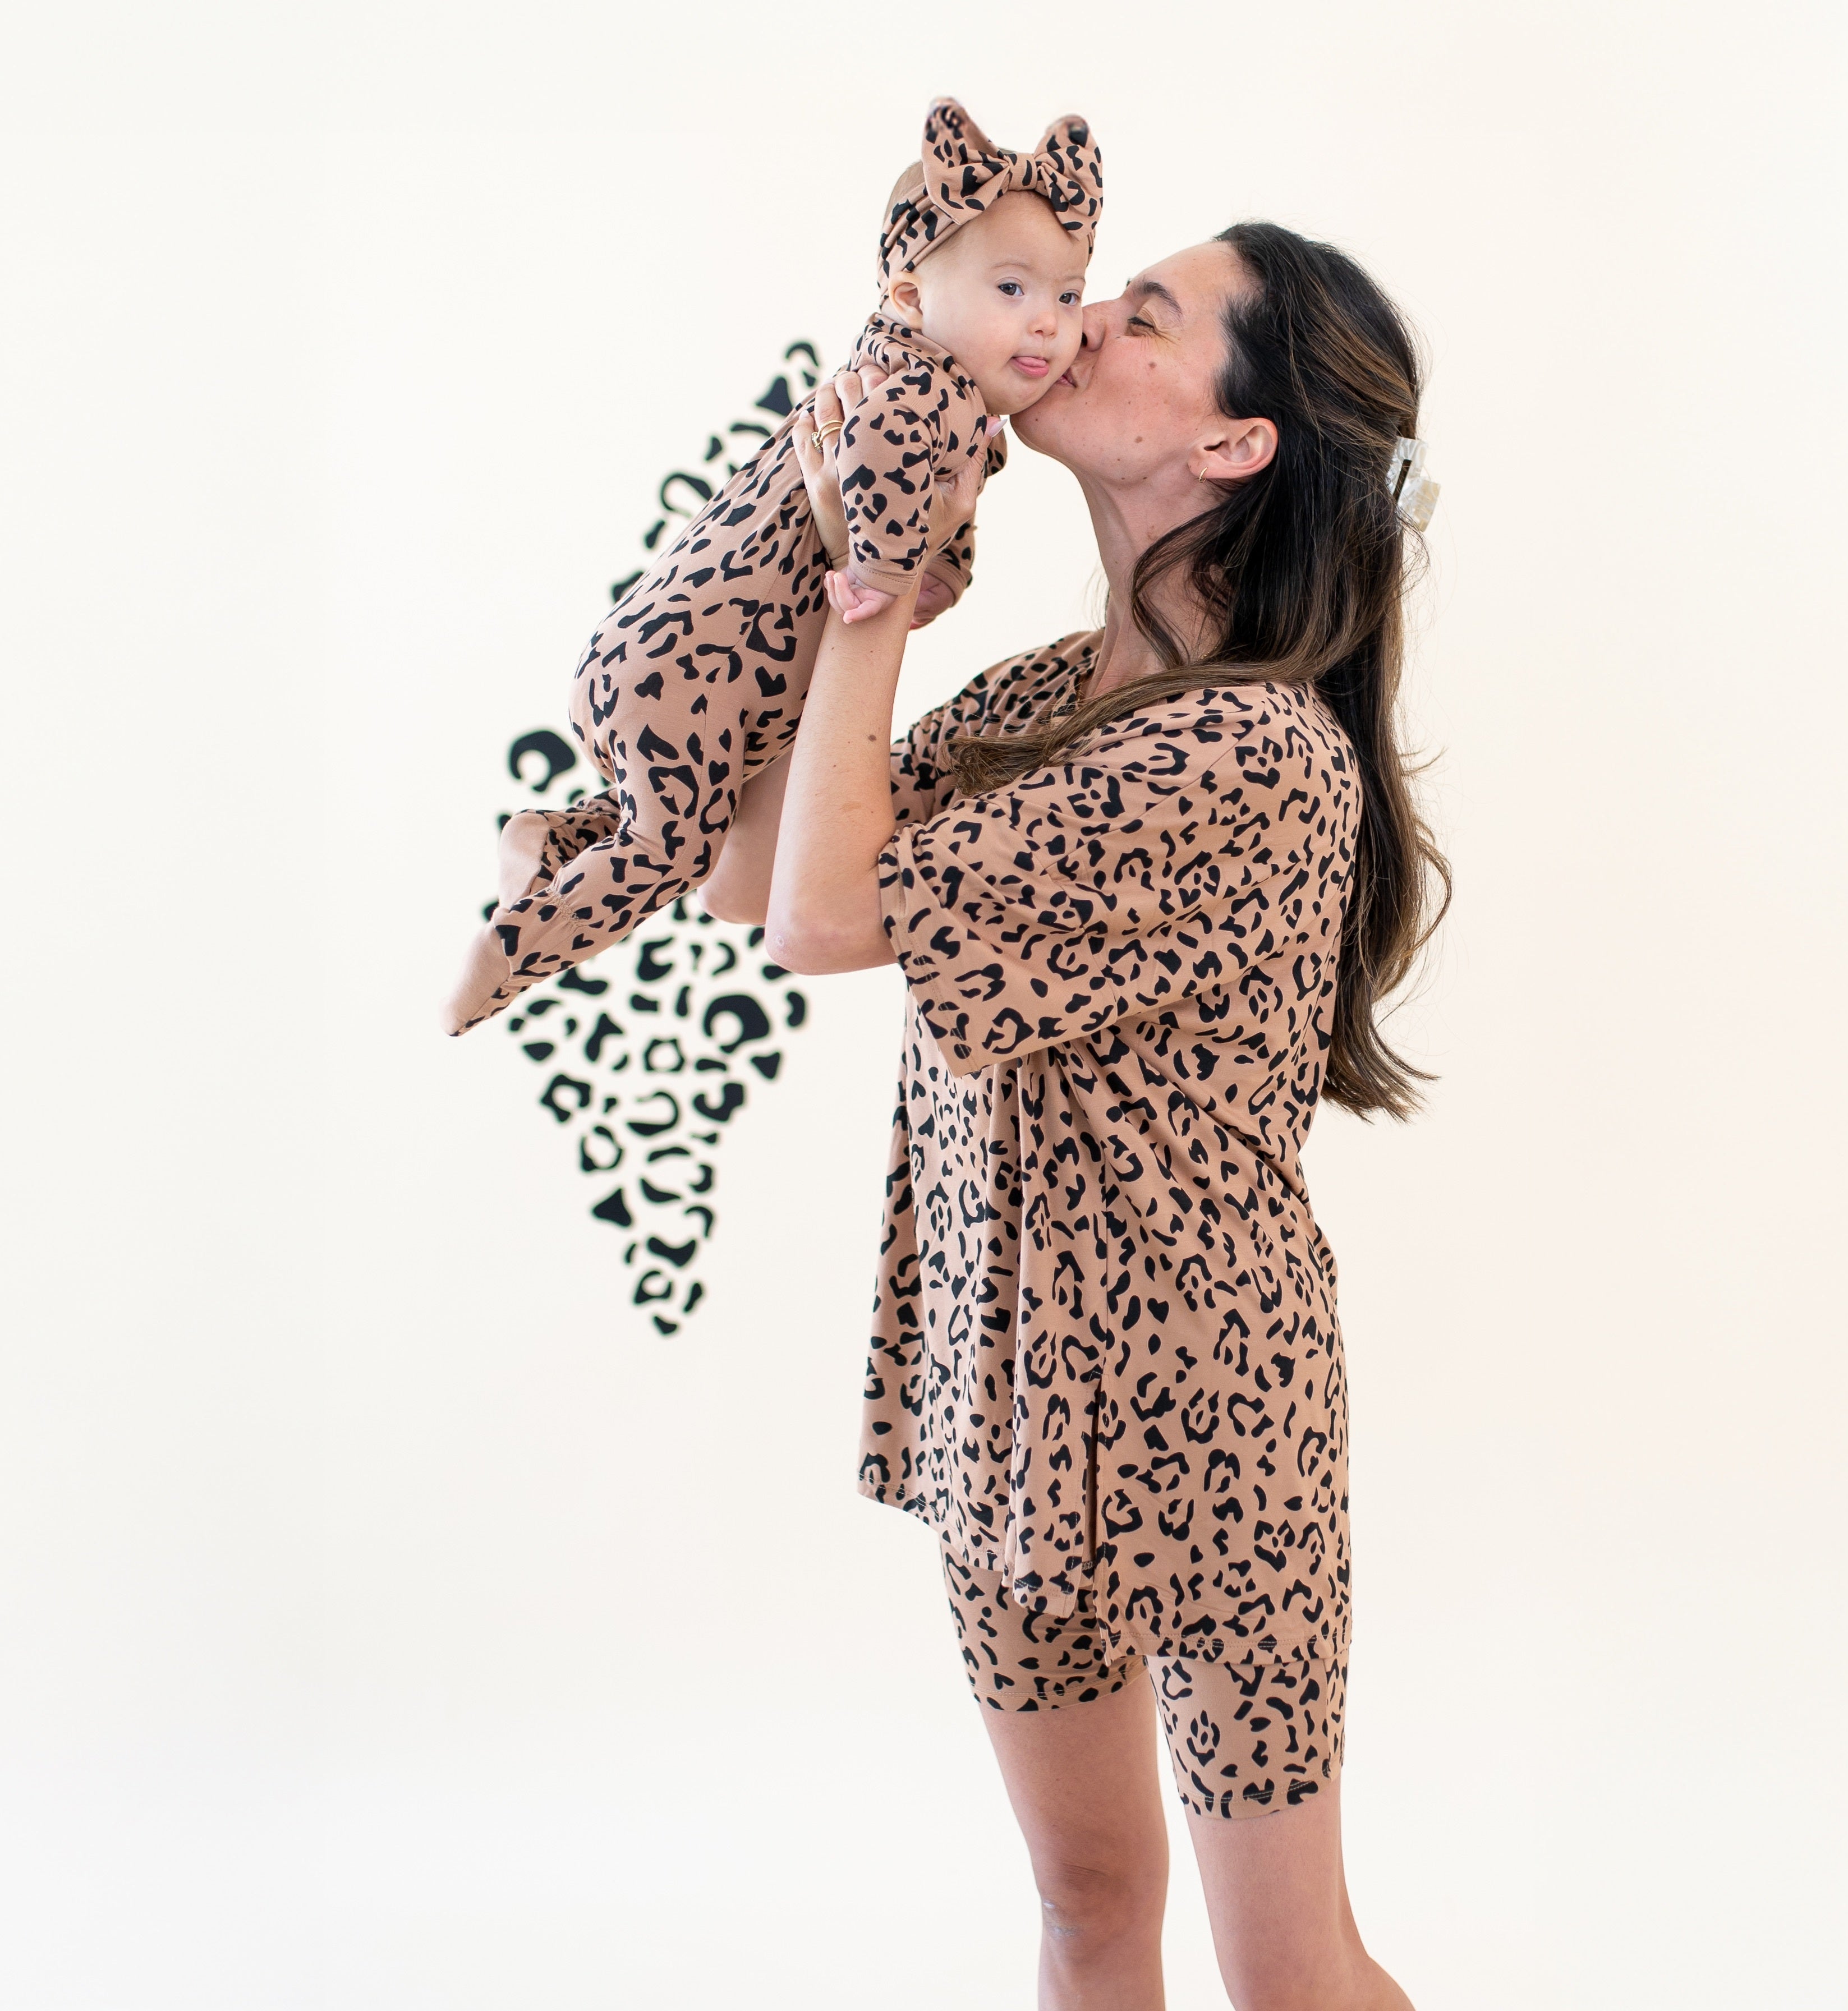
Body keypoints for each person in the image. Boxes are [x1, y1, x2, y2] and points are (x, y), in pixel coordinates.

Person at [701, 220, 1441, 2011]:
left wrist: (877, 588)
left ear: (1232, 445)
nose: (1085, 319)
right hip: (1006, 1377)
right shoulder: (1048, 696)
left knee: (1289, 1974)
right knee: (1089, 1901)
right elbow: (751, 876)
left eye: (1151, 315)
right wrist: (827, 549)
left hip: (1208, 1415)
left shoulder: (1251, 751)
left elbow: (820, 922)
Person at [440, 97, 1101, 1034]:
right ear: (909, 296)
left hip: (680, 667)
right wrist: (879, 575)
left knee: (681, 826)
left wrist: (928, 570)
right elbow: (876, 460)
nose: (1048, 324)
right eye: (1011, 291)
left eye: (1067, 296)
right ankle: (507, 955)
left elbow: (748, 887)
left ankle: (552, 841)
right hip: (693, 666)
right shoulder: (926, 389)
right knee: (668, 850)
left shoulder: (946, 394)